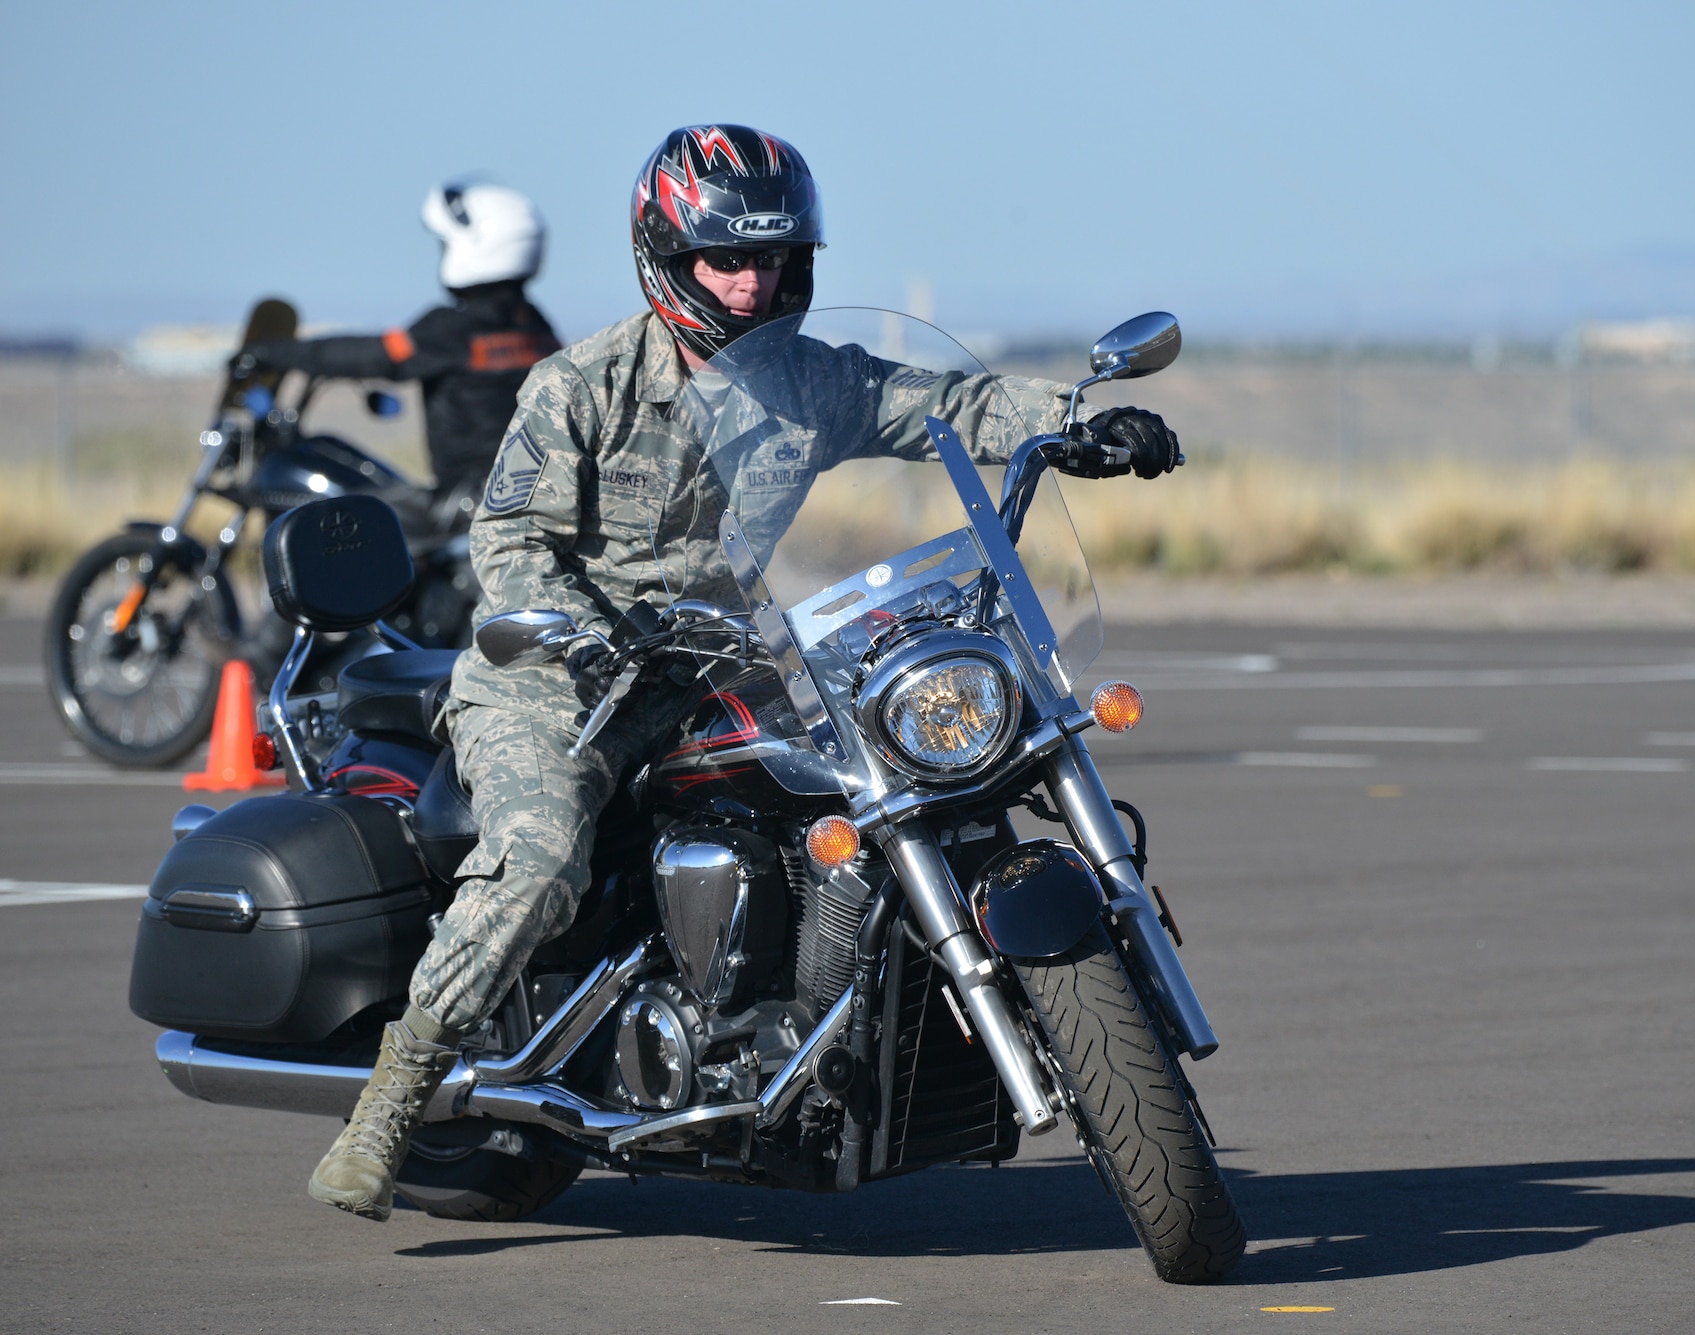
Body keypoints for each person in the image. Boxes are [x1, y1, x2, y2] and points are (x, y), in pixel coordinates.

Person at [305, 124, 1182, 1221]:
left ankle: (819, 1029)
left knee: (902, 770)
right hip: (559, 671)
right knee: (536, 859)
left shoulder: (805, 381)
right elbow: (511, 541)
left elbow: (948, 407)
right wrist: (575, 622)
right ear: (667, 261)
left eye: (771, 258)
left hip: (717, 661)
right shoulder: (576, 386)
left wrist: (1077, 426)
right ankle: (391, 1105)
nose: (752, 280)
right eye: (727, 259)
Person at [240, 182, 561, 507]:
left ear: (475, 246)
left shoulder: (452, 329)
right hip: (524, 498)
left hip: (466, 504)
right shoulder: (536, 327)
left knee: (357, 513)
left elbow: (378, 355)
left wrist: (274, 353)